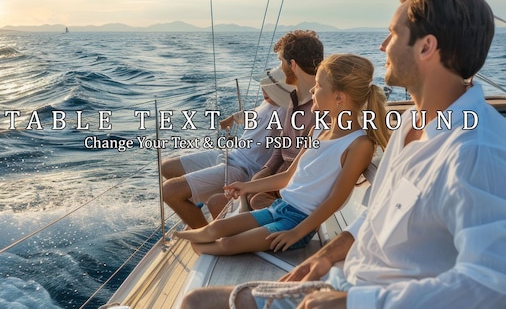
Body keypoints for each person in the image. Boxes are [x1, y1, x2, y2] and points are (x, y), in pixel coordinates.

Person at [108, 0, 506, 309]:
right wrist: (328, 256)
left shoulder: (477, 149)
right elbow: (378, 212)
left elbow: (489, 288)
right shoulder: (412, 122)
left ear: (426, 47)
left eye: (393, 33)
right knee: (198, 308)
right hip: (337, 292)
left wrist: (352, 305)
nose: (383, 43)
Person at [176, 54, 389, 257]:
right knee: (216, 228)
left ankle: (199, 247)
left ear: (339, 98)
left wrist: (297, 232)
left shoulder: (358, 144)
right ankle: (193, 238)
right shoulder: (319, 128)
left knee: (227, 244)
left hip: (297, 223)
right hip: (279, 208)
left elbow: (335, 200)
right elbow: (288, 177)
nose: (313, 89)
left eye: (320, 85)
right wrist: (246, 186)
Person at [160, 67, 292, 228]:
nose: (263, 88)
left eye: (270, 87)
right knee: (166, 167)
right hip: (231, 155)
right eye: (264, 85)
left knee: (169, 192)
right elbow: (254, 113)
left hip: (244, 169)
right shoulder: (269, 101)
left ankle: (205, 234)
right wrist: (233, 118)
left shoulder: (288, 111)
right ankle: (197, 207)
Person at [246, 30, 324, 210]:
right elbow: (283, 142)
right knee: (243, 196)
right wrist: (265, 170)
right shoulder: (294, 97)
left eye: (281, 61)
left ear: (292, 64)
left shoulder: (321, 106)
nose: (280, 68)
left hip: (297, 186)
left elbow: (311, 165)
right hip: (281, 179)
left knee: (254, 199)